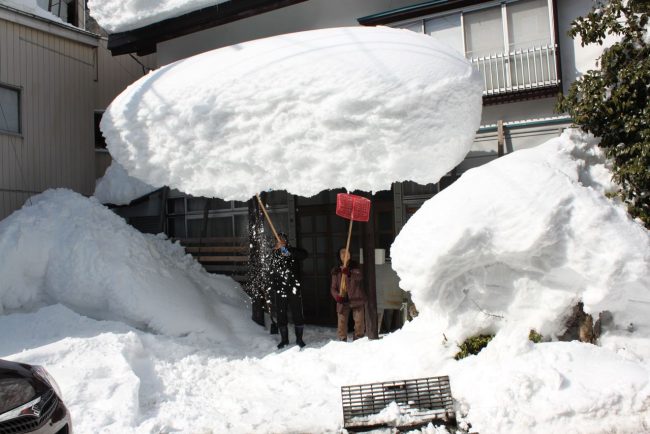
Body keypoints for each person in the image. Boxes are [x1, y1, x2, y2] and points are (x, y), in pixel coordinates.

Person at [269, 233, 308, 349]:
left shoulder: (293, 251)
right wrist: (277, 252)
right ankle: (284, 340)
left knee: (297, 313)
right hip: (280, 289)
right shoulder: (275, 254)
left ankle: (299, 339)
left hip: (293, 287)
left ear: (286, 241)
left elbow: (304, 255)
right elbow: (271, 270)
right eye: (278, 240)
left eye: (281, 240)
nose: (279, 242)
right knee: (281, 314)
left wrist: (287, 250)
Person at [330, 247, 366, 341]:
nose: (345, 254)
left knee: (359, 322)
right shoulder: (336, 270)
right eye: (342, 252)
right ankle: (342, 340)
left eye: (347, 252)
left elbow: (359, 277)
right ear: (339, 256)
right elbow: (333, 288)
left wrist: (349, 272)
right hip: (343, 298)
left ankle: (358, 340)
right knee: (341, 323)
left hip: (356, 297)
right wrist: (337, 297)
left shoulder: (355, 266)